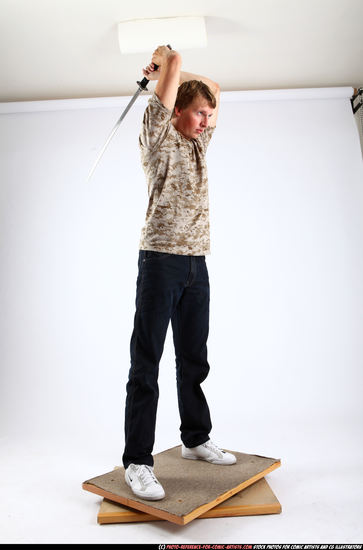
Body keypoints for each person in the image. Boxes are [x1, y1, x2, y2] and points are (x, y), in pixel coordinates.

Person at [122, 45, 236, 501]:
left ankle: (194, 439)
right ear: (175, 113)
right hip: (160, 260)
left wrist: (179, 74)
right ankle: (137, 462)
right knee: (145, 363)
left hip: (196, 263)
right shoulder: (158, 136)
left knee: (194, 358)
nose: (207, 120)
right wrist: (166, 65)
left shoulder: (199, 142)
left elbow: (217, 89)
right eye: (198, 113)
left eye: (209, 115)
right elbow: (172, 67)